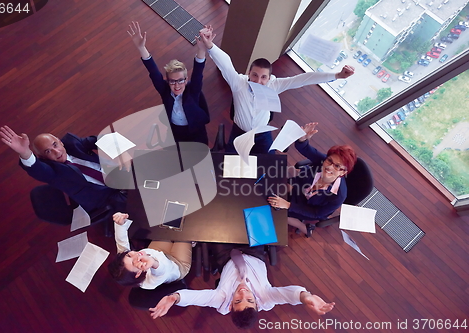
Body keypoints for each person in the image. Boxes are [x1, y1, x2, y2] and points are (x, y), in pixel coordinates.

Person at [199, 27, 355, 154]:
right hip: (239, 132)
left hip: (262, 135)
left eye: (263, 77)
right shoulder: (238, 82)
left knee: (268, 165)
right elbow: (225, 63)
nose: (258, 81)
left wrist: (338, 75)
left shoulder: (274, 85)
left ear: (269, 77)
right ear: (248, 73)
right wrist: (209, 45)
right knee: (229, 165)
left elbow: (304, 79)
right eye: (254, 75)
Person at [148, 248, 335, 329]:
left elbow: (197, 298)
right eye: (250, 300)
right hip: (254, 252)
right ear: (257, 304)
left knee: (221, 219)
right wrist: (306, 298)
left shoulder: (221, 300)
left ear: (230, 306)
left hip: (226, 256)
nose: (244, 293)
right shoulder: (266, 298)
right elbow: (289, 294)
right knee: (252, 209)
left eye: (238, 300)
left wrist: (174, 298)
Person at [0, 125, 129, 221]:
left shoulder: (74, 144)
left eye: (55, 145)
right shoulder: (53, 173)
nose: (56, 152)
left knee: (145, 168)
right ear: (43, 157)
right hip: (107, 199)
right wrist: (24, 152)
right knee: (141, 205)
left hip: (119, 176)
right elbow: (37, 169)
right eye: (48, 151)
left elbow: (101, 140)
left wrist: (124, 149)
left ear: (60, 142)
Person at [267, 122, 357, 237]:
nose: (329, 167)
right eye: (329, 161)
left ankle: (304, 228)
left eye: (337, 166)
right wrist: (302, 140)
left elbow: (316, 213)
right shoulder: (322, 161)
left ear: (343, 172)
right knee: (272, 192)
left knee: (280, 213)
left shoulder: (339, 196)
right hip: (299, 188)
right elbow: (305, 148)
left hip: (310, 207)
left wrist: (288, 205)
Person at [127, 21, 210, 145]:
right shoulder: (165, 90)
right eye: (172, 81)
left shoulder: (193, 90)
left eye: (180, 81)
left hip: (196, 132)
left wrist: (202, 49)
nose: (176, 86)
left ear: (186, 80)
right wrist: (141, 48)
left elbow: (198, 72)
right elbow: (153, 72)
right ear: (168, 81)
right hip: (175, 132)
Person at [108, 212, 192, 289]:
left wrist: (120, 223)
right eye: (134, 263)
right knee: (185, 232)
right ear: (138, 274)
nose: (136, 255)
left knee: (170, 222)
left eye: (129, 255)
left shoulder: (124, 261)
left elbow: (121, 241)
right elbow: (161, 272)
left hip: (158, 250)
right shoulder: (148, 283)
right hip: (177, 264)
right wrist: (153, 263)